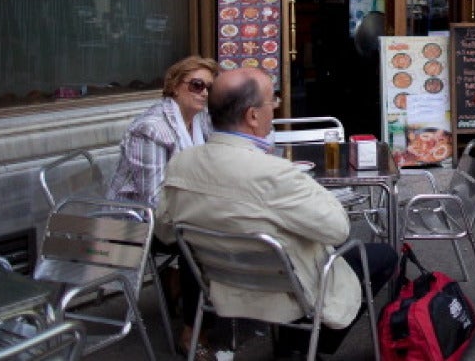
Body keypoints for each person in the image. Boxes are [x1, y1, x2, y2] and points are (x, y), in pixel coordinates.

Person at [156, 68, 398, 359]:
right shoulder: (275, 173)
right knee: (384, 255)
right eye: (272, 101)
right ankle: (305, 346)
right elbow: (337, 229)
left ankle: (294, 345)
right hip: (287, 290)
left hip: (222, 285)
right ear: (252, 116)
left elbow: (165, 229)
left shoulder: (181, 164)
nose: (276, 107)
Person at [106, 55, 219, 358]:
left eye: (210, 87)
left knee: (224, 228)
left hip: (178, 210)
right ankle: (192, 332)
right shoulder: (152, 129)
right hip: (135, 221)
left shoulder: (200, 120)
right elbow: (153, 198)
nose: (204, 93)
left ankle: (191, 290)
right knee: (201, 242)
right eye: (196, 85)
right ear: (174, 86)